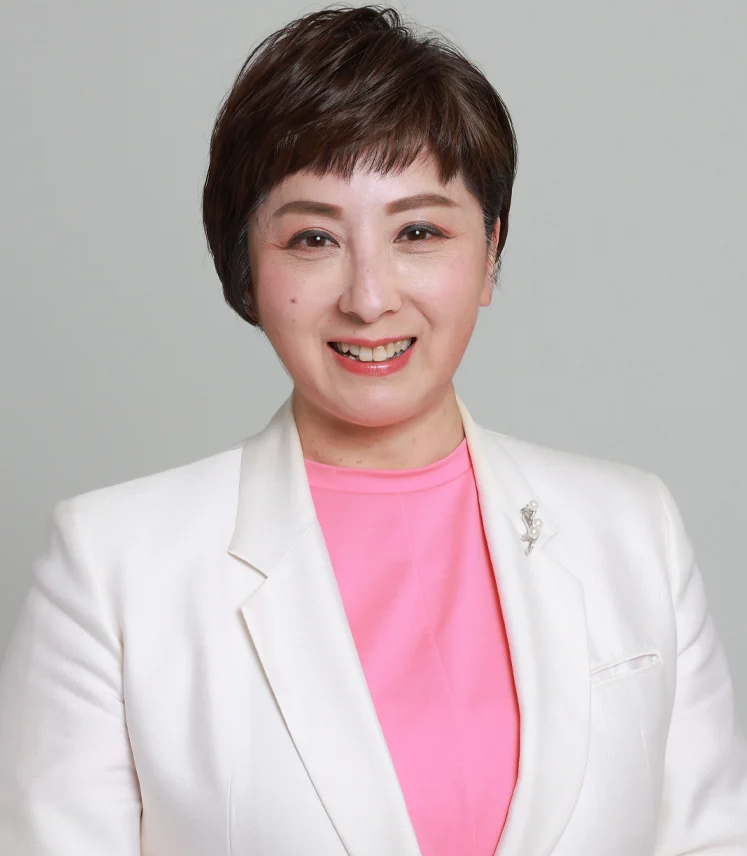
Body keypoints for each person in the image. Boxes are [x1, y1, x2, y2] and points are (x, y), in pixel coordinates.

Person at [1, 5, 746, 855]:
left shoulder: (632, 528)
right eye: (313, 238)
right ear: (245, 270)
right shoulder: (112, 568)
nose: (368, 297)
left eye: (418, 231)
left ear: (490, 252)